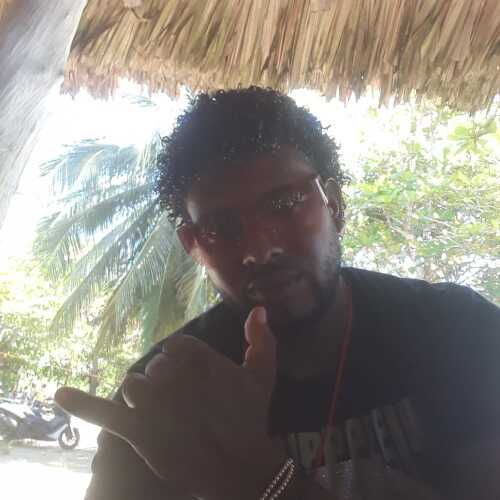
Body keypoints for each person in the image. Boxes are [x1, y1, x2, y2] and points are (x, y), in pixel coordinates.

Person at [56, 87, 500, 500]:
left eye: (285, 204)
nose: (259, 249)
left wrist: (264, 482)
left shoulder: (457, 332)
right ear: (193, 245)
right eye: (221, 227)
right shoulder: (167, 399)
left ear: (334, 204)